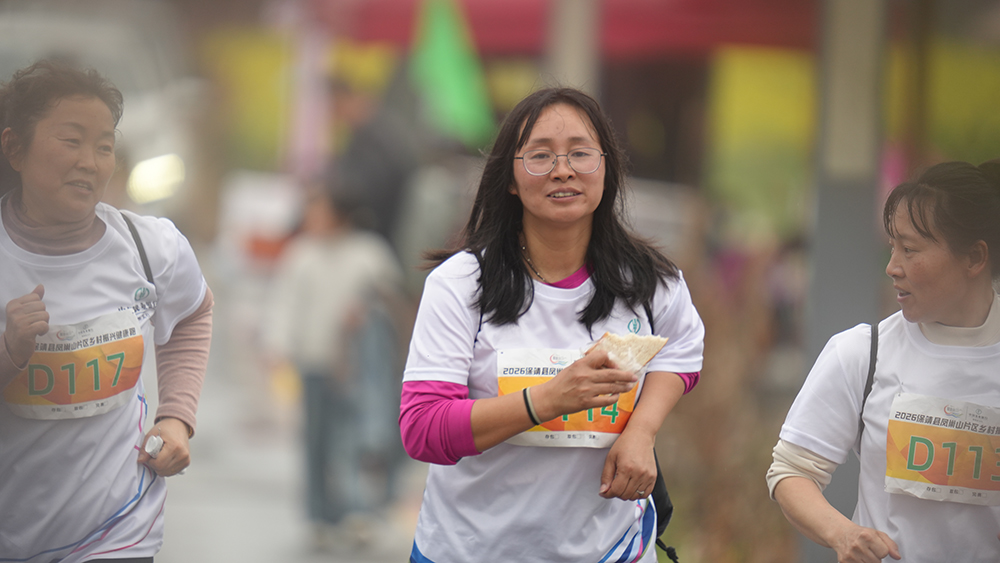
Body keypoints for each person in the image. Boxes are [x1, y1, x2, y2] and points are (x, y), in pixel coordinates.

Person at [398, 87, 705, 562]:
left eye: (580, 153)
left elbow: (681, 351)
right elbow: (423, 428)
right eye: (540, 156)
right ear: (510, 178)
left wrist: (642, 430)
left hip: (612, 550)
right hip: (469, 549)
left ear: (606, 168)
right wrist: (549, 399)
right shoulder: (459, 284)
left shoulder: (650, 283)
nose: (563, 170)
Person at [0, 61, 212, 562]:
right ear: (15, 148)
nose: (90, 162)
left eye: (104, 146)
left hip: (118, 529)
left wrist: (176, 416)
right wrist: (10, 352)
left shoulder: (149, 246)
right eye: (71, 141)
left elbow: (193, 313)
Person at [767, 160, 1000, 563]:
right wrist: (843, 534)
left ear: (975, 257)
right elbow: (791, 471)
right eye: (892, 247)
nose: (892, 268)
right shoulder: (863, 352)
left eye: (910, 250)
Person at [263, 183, 405, 549]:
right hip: (315, 363)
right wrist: (278, 347)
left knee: (357, 439)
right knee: (315, 441)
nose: (312, 217)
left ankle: (359, 512)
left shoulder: (370, 253)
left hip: (359, 370)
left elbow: (392, 301)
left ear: (340, 214)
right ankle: (319, 517)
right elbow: (285, 303)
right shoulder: (302, 254)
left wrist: (367, 310)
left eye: (320, 209)